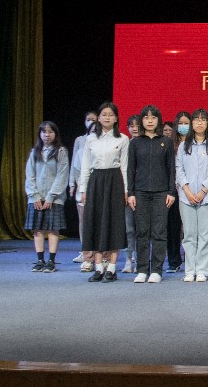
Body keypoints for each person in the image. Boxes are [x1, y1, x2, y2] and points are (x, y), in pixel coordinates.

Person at [78, 102, 129, 283]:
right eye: (104, 114)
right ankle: (98, 267)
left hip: (115, 181)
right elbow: (85, 166)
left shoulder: (122, 139)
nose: (107, 117)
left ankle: (112, 268)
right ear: (98, 118)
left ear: (116, 118)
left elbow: (124, 167)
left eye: (110, 115)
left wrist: (126, 190)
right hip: (96, 181)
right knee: (96, 223)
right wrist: (83, 189)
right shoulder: (91, 139)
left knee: (114, 223)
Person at [127, 105, 176, 284]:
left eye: (153, 117)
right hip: (140, 192)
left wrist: (171, 192)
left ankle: (156, 270)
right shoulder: (135, 142)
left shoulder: (166, 141)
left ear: (158, 120)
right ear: (141, 121)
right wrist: (130, 193)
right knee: (142, 232)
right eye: (146, 117)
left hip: (161, 193)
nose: (149, 121)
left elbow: (171, 168)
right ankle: (142, 269)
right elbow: (130, 169)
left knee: (159, 232)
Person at [176, 108, 208, 282]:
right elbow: (179, 169)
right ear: (192, 123)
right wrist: (186, 190)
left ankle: (202, 270)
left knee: (205, 234)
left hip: (206, 196)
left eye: (203, 119)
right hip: (186, 196)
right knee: (189, 235)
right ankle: (189, 270)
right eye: (196, 119)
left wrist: (203, 191)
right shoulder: (184, 145)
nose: (199, 122)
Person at [25, 121, 70, 272]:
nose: (47, 135)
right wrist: (34, 195)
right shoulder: (35, 151)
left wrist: (51, 196)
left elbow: (62, 175)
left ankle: (51, 261)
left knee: (52, 230)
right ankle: (40, 260)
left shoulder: (61, 151)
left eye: (50, 132)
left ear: (55, 134)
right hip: (36, 197)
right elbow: (30, 175)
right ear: (40, 134)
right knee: (37, 230)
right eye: (44, 132)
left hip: (54, 198)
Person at [68, 111, 96, 270]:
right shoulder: (80, 145)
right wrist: (73, 184)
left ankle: (101, 254)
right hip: (84, 190)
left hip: (100, 190)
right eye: (88, 120)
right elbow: (75, 166)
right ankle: (86, 253)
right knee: (84, 222)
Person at [165, 111, 190, 273]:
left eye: (186, 123)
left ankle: (191, 260)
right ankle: (174, 261)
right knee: (173, 228)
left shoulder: (195, 143)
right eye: (180, 123)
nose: (183, 126)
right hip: (173, 190)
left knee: (190, 228)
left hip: (191, 190)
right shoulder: (169, 143)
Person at [122, 115, 141, 274]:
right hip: (128, 192)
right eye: (131, 126)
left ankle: (141, 260)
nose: (134, 129)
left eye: (137, 126)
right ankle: (129, 260)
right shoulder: (124, 144)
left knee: (143, 229)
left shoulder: (146, 144)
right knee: (129, 229)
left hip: (143, 191)